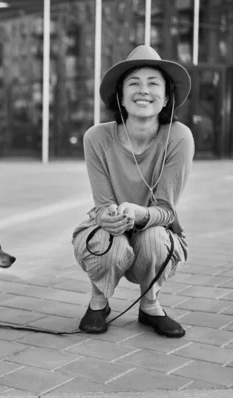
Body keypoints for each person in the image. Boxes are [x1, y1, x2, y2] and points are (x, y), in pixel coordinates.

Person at [72, 45, 195, 338]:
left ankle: (150, 305)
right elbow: (102, 204)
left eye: (153, 83)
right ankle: (98, 302)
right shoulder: (97, 137)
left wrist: (139, 213)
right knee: (104, 239)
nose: (143, 91)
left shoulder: (179, 137)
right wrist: (107, 217)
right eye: (133, 83)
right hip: (111, 228)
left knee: (153, 239)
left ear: (166, 98)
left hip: (155, 228)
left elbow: (166, 210)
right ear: (121, 97)